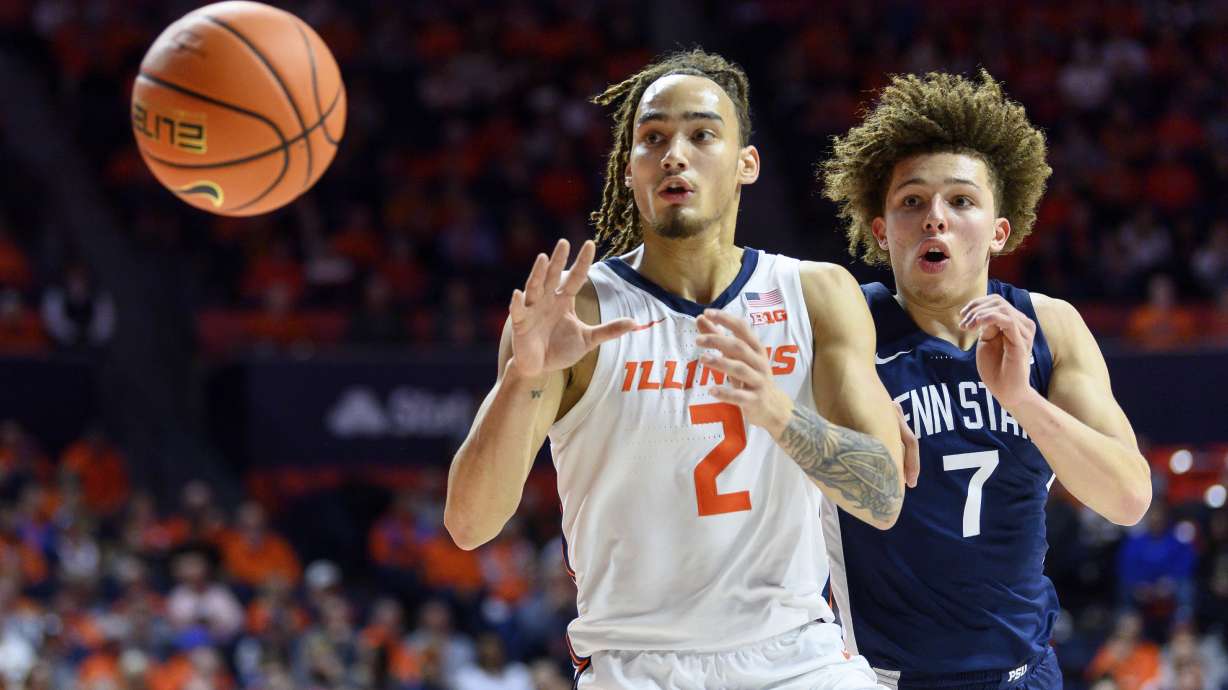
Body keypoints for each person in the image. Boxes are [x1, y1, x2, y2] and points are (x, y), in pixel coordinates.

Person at [446, 49, 912, 689]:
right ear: (630, 169)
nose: (674, 154)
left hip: (796, 658)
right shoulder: (574, 313)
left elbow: (883, 497)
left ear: (747, 163)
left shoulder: (816, 294)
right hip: (636, 666)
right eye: (653, 138)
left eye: (702, 134)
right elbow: (470, 525)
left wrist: (777, 410)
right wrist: (521, 380)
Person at [820, 70, 1153, 688]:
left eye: (961, 201)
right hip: (881, 677)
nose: (934, 219)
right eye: (911, 202)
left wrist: (1021, 398)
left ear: (1000, 230)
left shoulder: (1051, 325)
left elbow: (1129, 498)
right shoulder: (843, 327)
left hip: (1023, 674)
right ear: (880, 228)